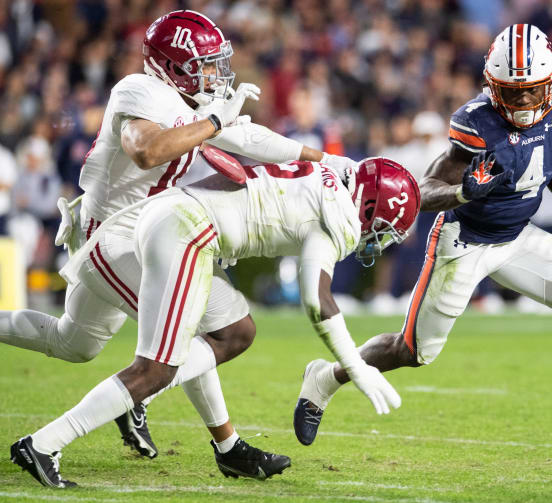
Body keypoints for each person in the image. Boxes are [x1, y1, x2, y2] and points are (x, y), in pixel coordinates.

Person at [0, 9, 356, 466]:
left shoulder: (196, 101)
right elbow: (146, 150)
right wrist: (212, 124)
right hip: (111, 236)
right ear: (170, 65)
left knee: (74, 343)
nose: (214, 73)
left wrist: (327, 161)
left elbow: (252, 140)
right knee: (210, 330)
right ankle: (220, 443)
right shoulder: (139, 90)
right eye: (204, 64)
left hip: (148, 233)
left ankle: (206, 435)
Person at [293, 24, 552, 477]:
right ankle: (326, 376)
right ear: (492, 87)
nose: (521, 103)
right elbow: (426, 189)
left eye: (530, 92)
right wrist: (465, 192)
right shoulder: (476, 121)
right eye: (510, 93)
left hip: (518, 235)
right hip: (465, 241)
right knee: (411, 351)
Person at [10, 156, 421, 488]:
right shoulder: (338, 222)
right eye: (381, 230)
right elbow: (318, 301)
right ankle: (44, 443)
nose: (377, 240)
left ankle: (228, 449)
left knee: (235, 331)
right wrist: (356, 368)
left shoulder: (340, 168)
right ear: (366, 208)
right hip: (186, 231)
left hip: (177, 217)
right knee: (156, 368)